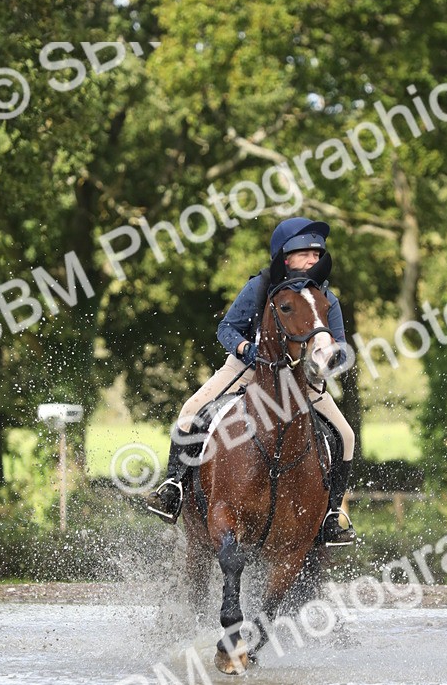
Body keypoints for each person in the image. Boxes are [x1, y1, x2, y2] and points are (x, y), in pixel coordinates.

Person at [146, 216, 357, 545]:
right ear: (285, 258)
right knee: (191, 410)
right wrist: (248, 349)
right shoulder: (259, 288)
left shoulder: (326, 297)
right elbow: (226, 329)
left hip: (300, 381)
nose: (314, 260)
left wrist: (328, 360)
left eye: (317, 255)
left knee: (346, 434)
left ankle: (330, 517)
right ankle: (173, 487)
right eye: (306, 254)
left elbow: (340, 347)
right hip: (248, 367)